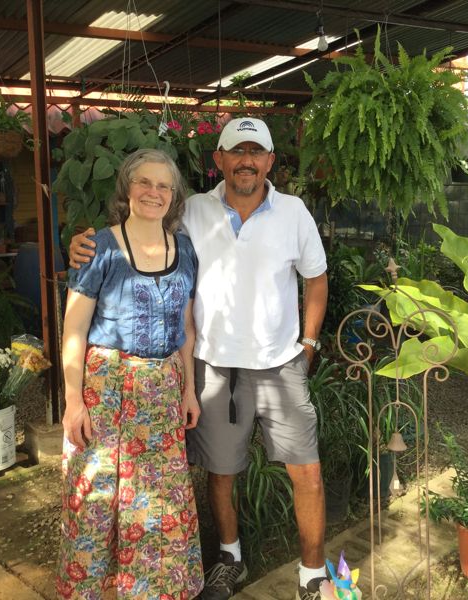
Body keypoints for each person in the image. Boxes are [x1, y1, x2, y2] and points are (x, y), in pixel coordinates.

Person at [70, 118, 329, 600]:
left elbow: (316, 279)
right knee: (220, 472)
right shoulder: (193, 212)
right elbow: (144, 238)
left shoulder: (294, 212)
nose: (247, 160)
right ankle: (230, 557)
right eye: (237, 151)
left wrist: (308, 345)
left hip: (279, 365)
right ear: (220, 161)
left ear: (270, 161)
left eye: (257, 151)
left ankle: (313, 574)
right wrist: (85, 246)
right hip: (213, 368)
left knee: (307, 470)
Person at [58, 148, 204, 599]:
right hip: (107, 389)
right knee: (99, 495)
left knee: (158, 499)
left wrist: (190, 393)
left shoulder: (186, 249)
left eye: (164, 185)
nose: (153, 193)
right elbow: (74, 328)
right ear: (127, 189)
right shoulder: (99, 246)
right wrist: (73, 401)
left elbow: (185, 328)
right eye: (144, 182)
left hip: (162, 391)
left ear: (175, 196)